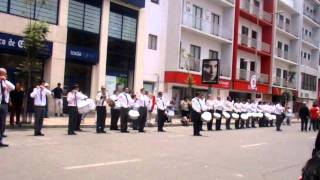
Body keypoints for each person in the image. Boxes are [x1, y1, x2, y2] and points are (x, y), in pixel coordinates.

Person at [0, 68, 15, 147]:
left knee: (2, 123)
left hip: (4, 104)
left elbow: (13, 87)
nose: (5, 75)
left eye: (5, 74)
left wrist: (4, 81)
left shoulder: (5, 83)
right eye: (4, 74)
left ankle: (0, 140)